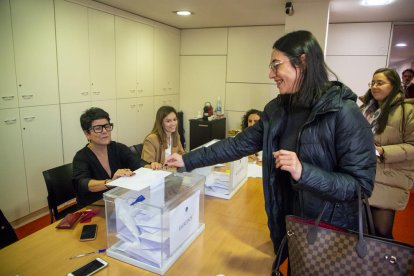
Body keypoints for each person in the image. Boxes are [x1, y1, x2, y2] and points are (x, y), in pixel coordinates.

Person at [165, 30, 376, 271]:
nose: (270, 74)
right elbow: (236, 145)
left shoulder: (343, 112)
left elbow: (361, 186)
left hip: (330, 231)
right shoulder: (277, 110)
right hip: (290, 222)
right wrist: (187, 160)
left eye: (276, 65)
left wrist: (303, 171)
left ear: (303, 61)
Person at [360, 68, 414, 239]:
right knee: (362, 229)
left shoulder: (407, 111)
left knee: (381, 231)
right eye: (373, 82)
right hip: (362, 173)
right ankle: (365, 265)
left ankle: (387, 265)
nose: (375, 86)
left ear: (394, 85)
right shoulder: (365, 108)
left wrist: (383, 151)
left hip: (389, 176)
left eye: (380, 82)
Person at [72, 107, 140, 207]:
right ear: (87, 134)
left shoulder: (118, 148)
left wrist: (152, 166)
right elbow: (83, 184)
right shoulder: (81, 157)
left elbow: (137, 162)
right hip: (94, 207)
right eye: (98, 128)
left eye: (107, 126)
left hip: (118, 202)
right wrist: (110, 182)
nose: (105, 131)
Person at [141, 106, 185, 170]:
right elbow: (147, 165)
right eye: (168, 121)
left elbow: (181, 154)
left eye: (175, 120)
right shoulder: (151, 139)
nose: (173, 123)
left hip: (173, 172)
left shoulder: (175, 135)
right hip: (158, 174)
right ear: (161, 123)